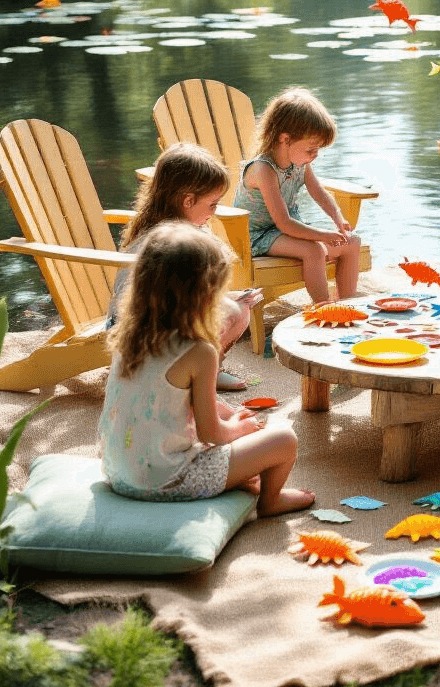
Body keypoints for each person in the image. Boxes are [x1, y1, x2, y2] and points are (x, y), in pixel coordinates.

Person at [99, 222, 314, 516]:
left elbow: (165, 397)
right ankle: (271, 500)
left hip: (118, 473)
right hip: (167, 481)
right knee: (283, 440)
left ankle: (240, 478)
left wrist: (228, 414)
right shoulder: (199, 352)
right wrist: (240, 428)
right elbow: (212, 434)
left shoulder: (129, 335)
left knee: (239, 441)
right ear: (203, 295)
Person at [109, 142, 262, 391]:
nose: (214, 211)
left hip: (171, 314)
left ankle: (209, 369)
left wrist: (231, 297)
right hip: (143, 325)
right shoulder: (166, 243)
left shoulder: (192, 226)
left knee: (239, 308)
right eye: (212, 204)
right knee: (230, 311)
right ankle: (189, 374)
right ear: (188, 200)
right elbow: (163, 305)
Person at [232, 86, 360, 303]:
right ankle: (324, 308)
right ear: (285, 139)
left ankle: (350, 303)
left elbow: (318, 192)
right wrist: (323, 235)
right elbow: (283, 223)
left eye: (318, 150)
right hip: (258, 237)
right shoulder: (263, 170)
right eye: (311, 149)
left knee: (352, 242)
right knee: (315, 250)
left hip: (287, 233)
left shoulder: (298, 163)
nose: (315, 156)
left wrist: (337, 217)